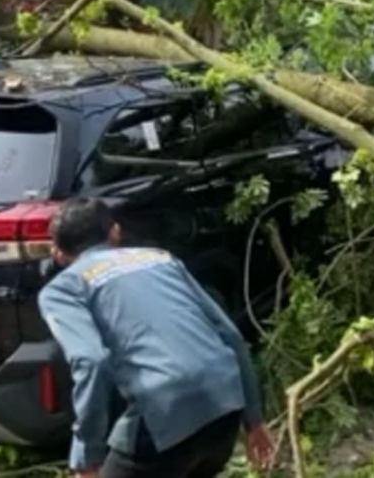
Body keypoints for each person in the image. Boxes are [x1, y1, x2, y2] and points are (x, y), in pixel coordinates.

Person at [39, 197, 273, 478]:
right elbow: (230, 335)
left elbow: (91, 361)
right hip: (223, 409)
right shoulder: (161, 259)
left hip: (163, 417)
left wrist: (88, 455)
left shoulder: (63, 289)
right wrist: (254, 420)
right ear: (114, 232)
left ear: (58, 252)